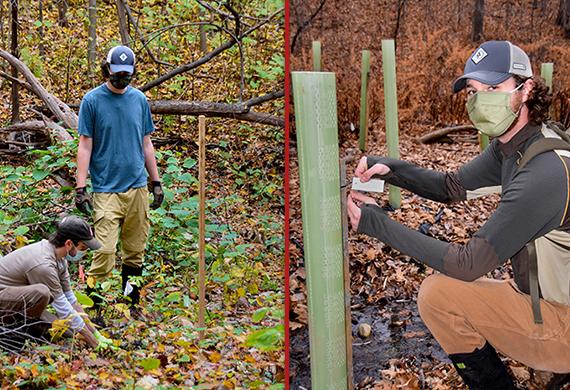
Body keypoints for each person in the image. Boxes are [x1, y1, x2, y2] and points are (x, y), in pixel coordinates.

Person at [347, 40, 570, 389]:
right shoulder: (518, 145)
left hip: (564, 321)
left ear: (526, 89)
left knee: (439, 297)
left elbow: (469, 263)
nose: (481, 100)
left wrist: (377, 224)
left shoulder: (544, 172)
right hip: (546, 298)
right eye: (473, 91)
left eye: (494, 88)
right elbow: (450, 187)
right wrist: (389, 169)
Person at [75, 45, 163, 311]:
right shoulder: (92, 101)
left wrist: (156, 182)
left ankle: (130, 302)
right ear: (107, 70)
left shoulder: (138, 100)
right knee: (104, 251)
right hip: (106, 189)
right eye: (116, 73)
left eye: (126, 74)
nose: (121, 78)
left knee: (135, 252)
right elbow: (85, 145)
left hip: (137, 187)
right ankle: (94, 305)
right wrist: (81, 187)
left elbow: (146, 143)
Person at [0, 216, 115, 350]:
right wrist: (94, 342)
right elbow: (63, 307)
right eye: (83, 247)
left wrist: (95, 333)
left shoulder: (60, 259)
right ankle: (13, 330)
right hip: (4, 298)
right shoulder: (43, 264)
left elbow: (70, 299)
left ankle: (27, 324)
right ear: (68, 244)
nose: (84, 251)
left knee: (68, 331)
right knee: (42, 292)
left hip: (19, 299)